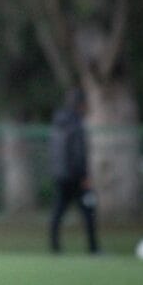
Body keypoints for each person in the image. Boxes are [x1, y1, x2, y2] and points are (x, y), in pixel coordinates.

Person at [48, 88, 100, 254]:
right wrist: (84, 176)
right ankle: (93, 248)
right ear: (81, 104)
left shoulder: (58, 123)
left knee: (58, 211)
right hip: (76, 176)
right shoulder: (76, 124)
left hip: (60, 175)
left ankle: (55, 247)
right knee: (88, 211)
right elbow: (78, 153)